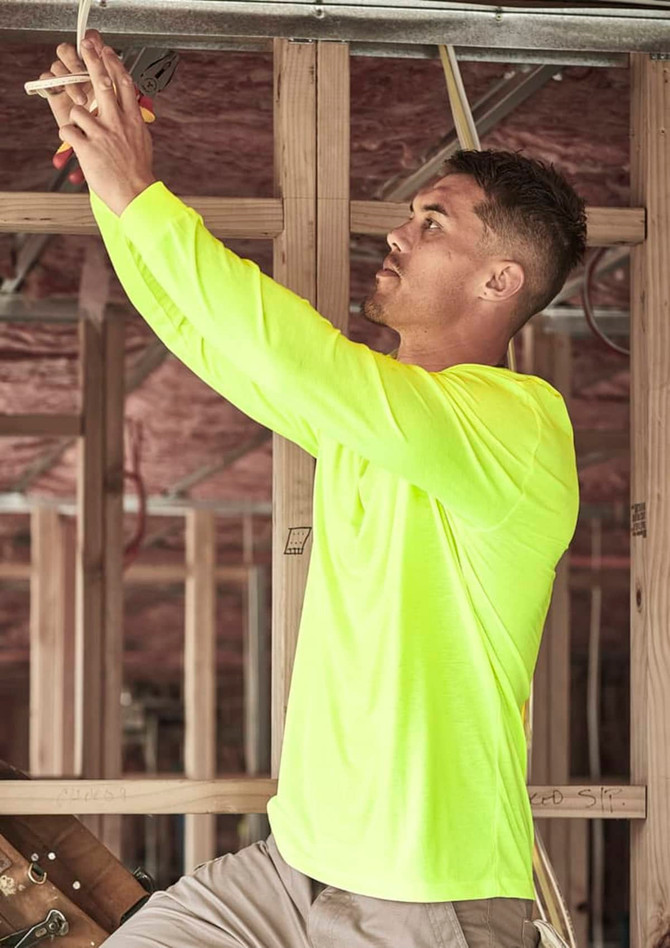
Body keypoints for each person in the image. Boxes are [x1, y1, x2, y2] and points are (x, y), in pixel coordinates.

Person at [39, 32, 585, 948]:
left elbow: (300, 356)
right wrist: (110, 180)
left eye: (433, 221)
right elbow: (219, 343)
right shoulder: (384, 427)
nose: (398, 233)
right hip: (293, 866)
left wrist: (141, 192)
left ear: (501, 280)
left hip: (425, 899)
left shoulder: (513, 428)